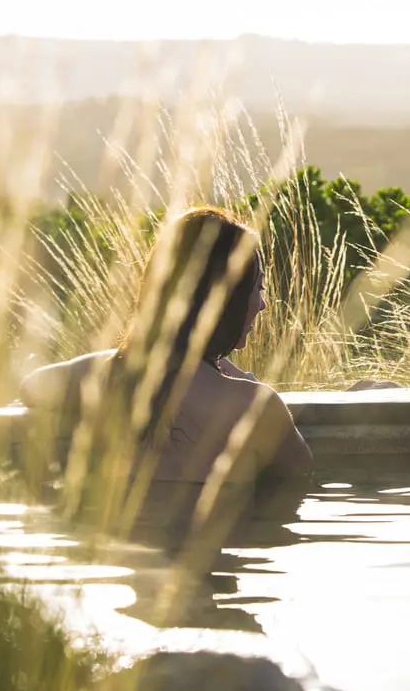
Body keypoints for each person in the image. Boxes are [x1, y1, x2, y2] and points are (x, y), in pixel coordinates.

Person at [20, 206, 312, 484]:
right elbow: (302, 477)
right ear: (226, 297)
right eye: (258, 288)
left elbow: (32, 387)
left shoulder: (104, 378)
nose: (262, 304)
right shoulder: (253, 405)